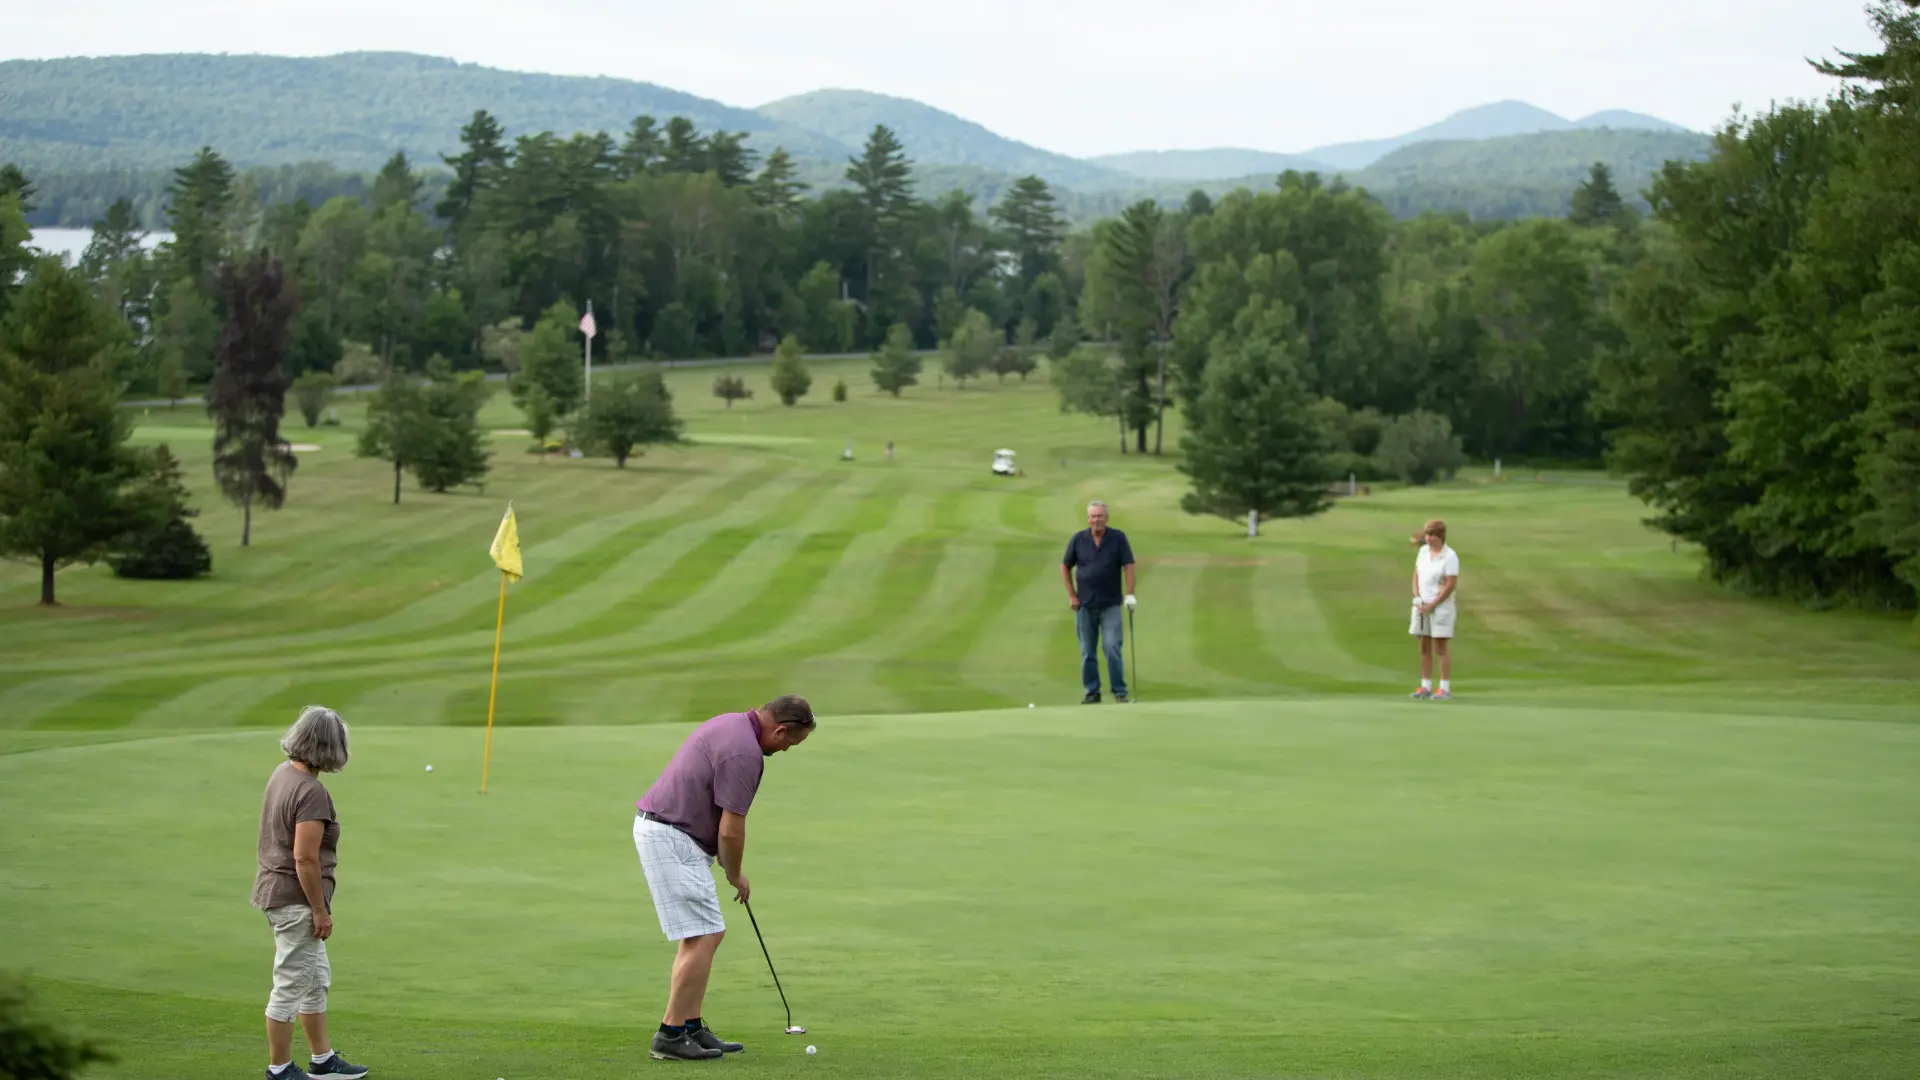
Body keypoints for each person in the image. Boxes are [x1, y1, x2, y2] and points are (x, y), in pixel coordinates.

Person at [633, 696, 817, 1061]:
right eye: (790, 743)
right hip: (672, 835)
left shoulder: (731, 723)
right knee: (703, 934)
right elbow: (732, 831)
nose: (786, 750)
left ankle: (690, 1026)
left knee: (704, 933)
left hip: (671, 831)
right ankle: (671, 1034)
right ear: (779, 730)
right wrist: (735, 875)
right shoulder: (745, 754)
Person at [251, 706, 368, 1080]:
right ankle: (280, 1069)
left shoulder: (283, 773)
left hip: (277, 891)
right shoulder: (311, 792)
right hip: (295, 900)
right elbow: (305, 859)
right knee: (289, 986)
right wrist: (319, 910)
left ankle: (322, 1059)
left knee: (315, 980)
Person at [1061, 500, 1137, 704]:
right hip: (1084, 604)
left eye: (1100, 516)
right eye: (1093, 516)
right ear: (1088, 518)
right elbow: (1065, 566)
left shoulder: (1118, 538)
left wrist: (1130, 594)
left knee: (1112, 647)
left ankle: (1119, 690)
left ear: (1107, 518)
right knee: (1087, 651)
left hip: (1110, 603)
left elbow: (1128, 565)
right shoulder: (1078, 539)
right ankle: (1092, 691)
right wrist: (1072, 595)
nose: (1096, 520)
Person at [1408, 519, 1460, 700]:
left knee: (1439, 647)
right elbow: (1416, 575)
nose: (1428, 539)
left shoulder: (1450, 556)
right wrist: (1417, 597)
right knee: (1423, 645)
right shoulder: (1423, 551)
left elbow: (1450, 585)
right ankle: (1425, 686)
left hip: (1441, 607)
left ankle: (1444, 689)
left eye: (1431, 536)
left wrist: (1433, 604)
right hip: (1421, 605)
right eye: (1427, 535)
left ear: (1440, 536)